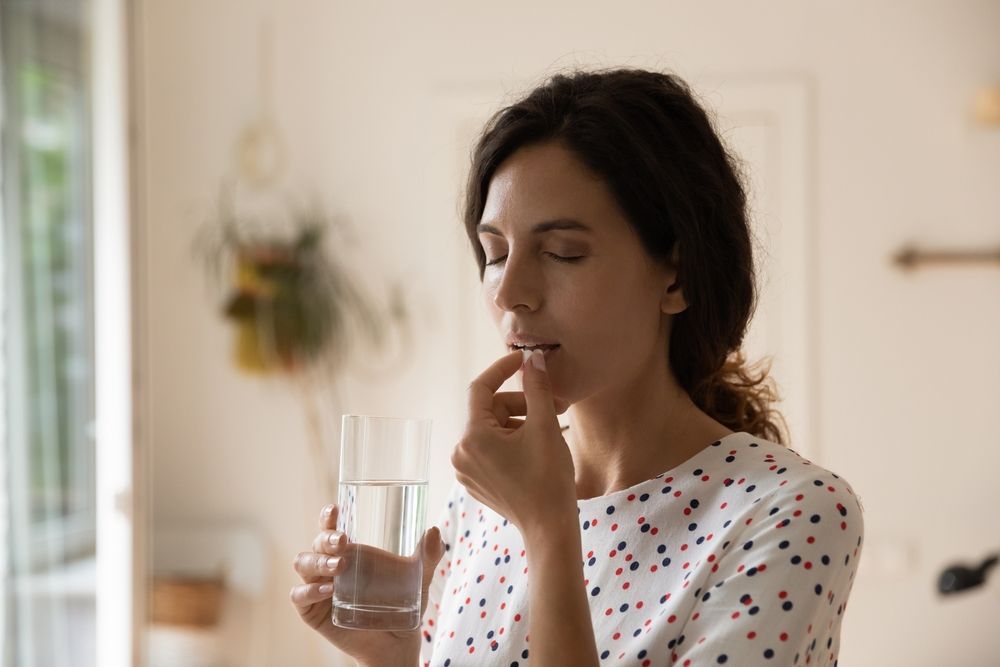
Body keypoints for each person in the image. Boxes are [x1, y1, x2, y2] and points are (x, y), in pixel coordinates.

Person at [291, 67, 865, 666]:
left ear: (677, 274)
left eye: (562, 252)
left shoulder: (792, 514)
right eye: (494, 254)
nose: (511, 291)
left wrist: (548, 531)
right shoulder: (484, 504)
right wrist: (395, 656)